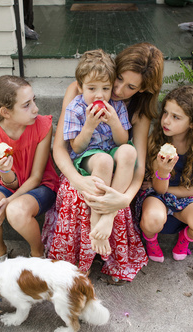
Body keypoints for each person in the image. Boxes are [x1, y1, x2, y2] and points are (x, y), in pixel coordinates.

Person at [42, 43, 164, 283]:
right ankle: (78, 262)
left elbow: (135, 162)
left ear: (142, 90)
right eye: (117, 79)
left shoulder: (136, 109)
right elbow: (62, 148)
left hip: (119, 172)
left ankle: (107, 228)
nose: (116, 90)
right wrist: (78, 181)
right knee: (79, 191)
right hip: (85, 165)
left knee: (118, 172)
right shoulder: (80, 93)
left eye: (130, 87)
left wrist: (122, 201)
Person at [0, 75, 59, 263]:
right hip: (13, 185)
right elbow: (10, 183)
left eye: (33, 101)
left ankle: (38, 253)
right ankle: (0, 253)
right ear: (5, 112)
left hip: (42, 186)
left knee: (15, 210)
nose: (35, 109)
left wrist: (9, 201)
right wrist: (5, 170)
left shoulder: (42, 126)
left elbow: (37, 177)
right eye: (26, 105)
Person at [63, 49, 136, 257]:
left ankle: (108, 217)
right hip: (87, 157)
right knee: (103, 161)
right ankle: (97, 217)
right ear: (80, 87)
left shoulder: (116, 106)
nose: (99, 95)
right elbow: (75, 147)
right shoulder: (75, 109)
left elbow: (122, 141)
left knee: (129, 152)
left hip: (111, 149)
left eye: (106, 88)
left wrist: (114, 121)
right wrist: (88, 126)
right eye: (92, 88)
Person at [134, 85, 193, 262]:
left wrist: (176, 193)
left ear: (192, 123)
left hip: (187, 200)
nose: (166, 121)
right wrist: (163, 171)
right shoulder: (156, 143)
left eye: (175, 117)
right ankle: (150, 239)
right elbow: (159, 190)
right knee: (152, 220)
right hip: (157, 197)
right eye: (165, 113)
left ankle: (185, 237)